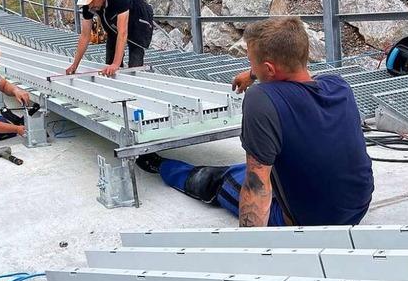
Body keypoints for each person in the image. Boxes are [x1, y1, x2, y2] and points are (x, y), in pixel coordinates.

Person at [136, 16, 374, 227]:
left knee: (223, 178)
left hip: (307, 222)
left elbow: (256, 188)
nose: (251, 68)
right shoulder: (339, 85)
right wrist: (252, 74)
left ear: (269, 69)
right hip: (355, 210)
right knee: (251, 166)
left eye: (251, 62)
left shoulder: (261, 98)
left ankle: (162, 167)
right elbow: (294, 71)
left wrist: (252, 254)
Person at [66, 0, 154, 77]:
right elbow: (85, 36)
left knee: (134, 61)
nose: (90, 6)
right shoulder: (90, 5)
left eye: (91, 1)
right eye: (87, 2)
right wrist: (75, 64)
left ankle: (135, 81)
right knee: (109, 64)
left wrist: (116, 64)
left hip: (139, 20)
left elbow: (123, 32)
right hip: (114, 21)